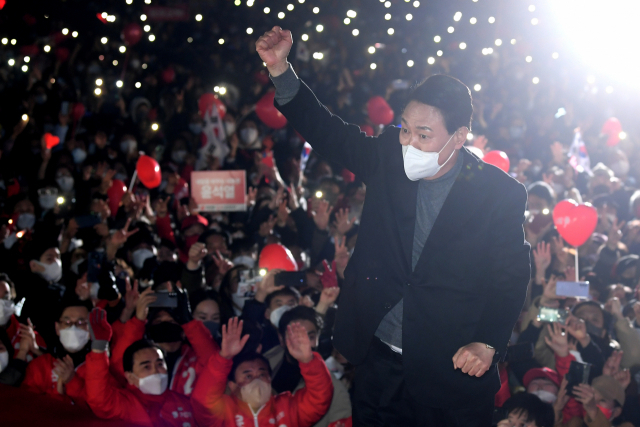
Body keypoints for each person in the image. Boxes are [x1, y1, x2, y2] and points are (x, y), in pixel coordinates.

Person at [255, 26, 531, 425]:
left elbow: (510, 277)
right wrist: (281, 70)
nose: (409, 143)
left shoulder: (498, 194)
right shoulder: (389, 155)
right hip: (379, 359)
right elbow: (329, 132)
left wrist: (488, 341)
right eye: (405, 128)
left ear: (458, 137)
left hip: (450, 371)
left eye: (424, 134)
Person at [191, 317, 334, 427]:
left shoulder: (287, 408)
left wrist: (308, 360)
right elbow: (202, 401)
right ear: (232, 385)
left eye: (262, 374)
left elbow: (319, 398)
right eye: (248, 375)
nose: (256, 380)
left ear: (270, 380)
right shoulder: (223, 412)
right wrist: (224, 358)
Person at [85, 307, 197, 427]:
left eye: (159, 364)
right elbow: (98, 398)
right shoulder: (125, 405)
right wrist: (99, 348)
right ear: (130, 377)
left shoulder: (184, 404)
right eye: (146, 367)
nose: (155, 371)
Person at [264, 306, 352, 427]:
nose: (303, 342)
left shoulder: (336, 391)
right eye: (295, 336)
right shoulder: (264, 362)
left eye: (310, 337)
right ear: (281, 338)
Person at [21, 297, 93, 405]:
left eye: (80, 322)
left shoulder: (99, 367)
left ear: (90, 329)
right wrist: (57, 394)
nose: (73, 328)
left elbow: (100, 408)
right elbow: (28, 407)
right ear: (57, 328)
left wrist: (73, 381)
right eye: (67, 322)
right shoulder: (40, 366)